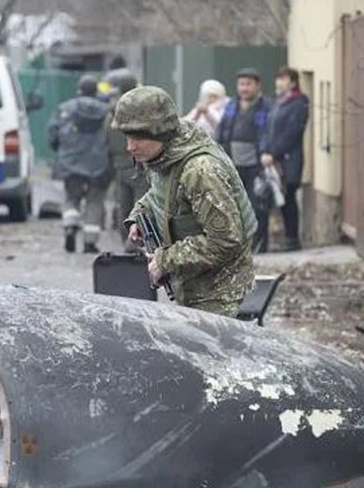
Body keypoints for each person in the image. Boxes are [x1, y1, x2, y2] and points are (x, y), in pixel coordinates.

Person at [112, 85, 256, 316]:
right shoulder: (166, 154)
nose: (130, 146)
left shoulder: (200, 170)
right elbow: (164, 193)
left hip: (219, 295)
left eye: (138, 136)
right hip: (192, 286)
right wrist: (140, 215)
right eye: (127, 136)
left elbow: (226, 241)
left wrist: (165, 260)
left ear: (159, 131)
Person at [49, 75, 110, 254]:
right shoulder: (106, 111)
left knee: (71, 197)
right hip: (99, 164)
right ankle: (90, 242)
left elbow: (53, 132)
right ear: (96, 91)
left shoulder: (65, 108)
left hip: (71, 162)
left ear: (79, 90)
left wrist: (59, 149)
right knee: (95, 201)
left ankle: (70, 225)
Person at [215, 68, 272, 252]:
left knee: (258, 205)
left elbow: (268, 133)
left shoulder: (266, 106)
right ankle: (240, 244)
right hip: (233, 164)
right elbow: (222, 130)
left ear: (257, 85)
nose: (244, 88)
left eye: (248, 84)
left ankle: (259, 244)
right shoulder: (232, 105)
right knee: (235, 205)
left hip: (257, 165)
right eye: (241, 84)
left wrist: (266, 152)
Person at [262, 67, 310, 251]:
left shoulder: (300, 102)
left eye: (283, 79)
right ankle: (286, 237)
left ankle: (292, 239)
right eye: (277, 79)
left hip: (289, 159)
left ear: (293, 82)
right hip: (274, 160)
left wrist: (274, 152)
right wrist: (266, 150)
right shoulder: (279, 103)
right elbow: (269, 130)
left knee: (289, 198)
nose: (278, 83)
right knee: (280, 199)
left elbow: (292, 132)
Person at [100, 66, 148, 251]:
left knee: (123, 208)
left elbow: (107, 139)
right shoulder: (142, 108)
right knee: (140, 209)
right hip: (140, 166)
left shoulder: (112, 111)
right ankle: (135, 246)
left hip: (120, 167)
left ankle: (126, 245)